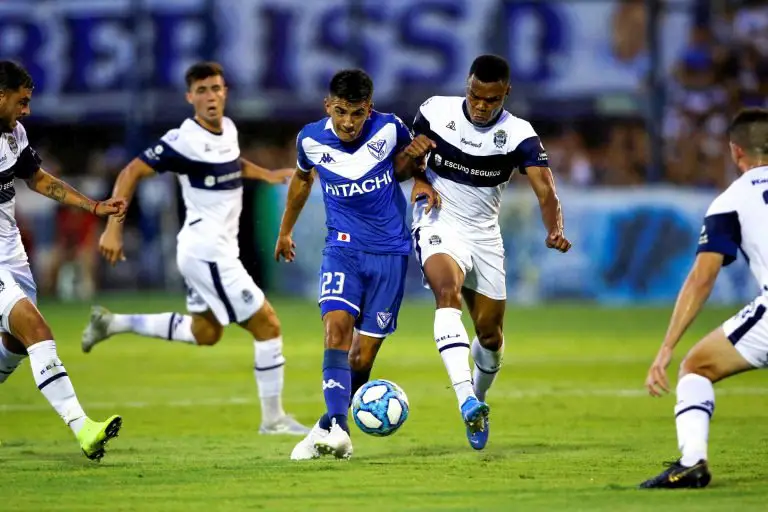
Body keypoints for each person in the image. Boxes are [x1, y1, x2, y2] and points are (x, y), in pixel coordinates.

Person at [82, 61, 308, 436]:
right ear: (190, 97)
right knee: (268, 325)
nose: (210, 97)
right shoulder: (181, 140)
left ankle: (113, 323)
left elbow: (231, 163)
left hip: (209, 250)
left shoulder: (229, 128)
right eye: (202, 91)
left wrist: (267, 174)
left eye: (216, 88)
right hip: (208, 251)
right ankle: (274, 420)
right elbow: (130, 172)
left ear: (225, 92)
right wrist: (113, 226)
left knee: (206, 332)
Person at [410, 54, 571, 450]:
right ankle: (465, 398)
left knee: (491, 335)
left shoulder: (519, 135)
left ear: (506, 94)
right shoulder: (435, 111)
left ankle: (478, 400)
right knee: (446, 292)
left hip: (484, 235)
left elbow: (546, 190)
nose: (481, 106)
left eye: (492, 100)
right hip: (438, 220)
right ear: (467, 85)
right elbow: (408, 156)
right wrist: (419, 180)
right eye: (475, 96)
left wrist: (555, 229)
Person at [275, 69, 436, 460]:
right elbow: (302, 180)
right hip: (342, 249)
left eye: (357, 113)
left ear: (370, 109)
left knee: (361, 359)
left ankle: (323, 427)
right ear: (327, 106)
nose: (348, 122)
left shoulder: (390, 128)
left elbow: (406, 167)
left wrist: (420, 175)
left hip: (389, 254)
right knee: (335, 330)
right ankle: (341, 429)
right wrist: (285, 230)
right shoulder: (310, 139)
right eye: (341, 112)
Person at [0, 60, 127, 460]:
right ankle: (83, 428)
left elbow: (38, 179)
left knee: (14, 344)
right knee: (36, 329)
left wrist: (94, 206)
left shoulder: (15, 135)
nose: (27, 110)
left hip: (11, 253)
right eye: (21, 101)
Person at [641, 107, 768, 489]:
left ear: (735, 151)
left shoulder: (731, 201)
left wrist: (666, 347)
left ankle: (692, 461)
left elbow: (702, 278)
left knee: (696, 367)